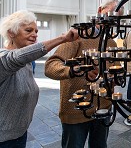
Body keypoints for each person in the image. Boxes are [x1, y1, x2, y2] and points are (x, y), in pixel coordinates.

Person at [44, 0, 123, 148]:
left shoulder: (111, 43)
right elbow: (50, 66)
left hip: (103, 106)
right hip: (76, 110)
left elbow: (115, 69)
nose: (111, 20)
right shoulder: (78, 35)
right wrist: (75, 70)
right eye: (110, 14)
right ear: (100, 10)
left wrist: (116, 77)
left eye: (116, 18)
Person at [0, 10, 78, 148]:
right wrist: (62, 38)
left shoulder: (28, 63)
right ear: (11, 32)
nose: (35, 35)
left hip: (19, 134)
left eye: (36, 31)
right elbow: (16, 58)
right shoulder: (3, 59)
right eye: (28, 30)